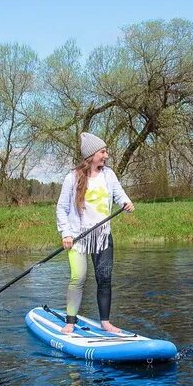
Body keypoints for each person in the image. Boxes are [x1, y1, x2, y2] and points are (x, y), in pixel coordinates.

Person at [55, 132, 134, 335]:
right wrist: (66, 234)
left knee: (104, 278)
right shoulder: (72, 177)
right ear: (91, 155)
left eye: (106, 151)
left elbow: (119, 193)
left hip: (102, 237)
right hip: (78, 238)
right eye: (102, 152)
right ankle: (70, 322)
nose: (106, 155)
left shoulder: (109, 175)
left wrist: (126, 202)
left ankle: (105, 322)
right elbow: (61, 208)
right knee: (78, 278)